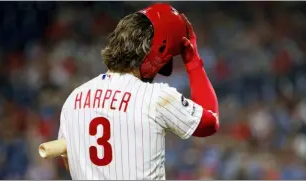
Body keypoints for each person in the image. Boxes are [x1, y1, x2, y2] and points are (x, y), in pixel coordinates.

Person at [57, 3, 219, 180]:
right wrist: (193, 61)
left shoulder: (74, 99)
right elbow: (210, 123)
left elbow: (67, 161)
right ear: (161, 50)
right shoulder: (155, 97)